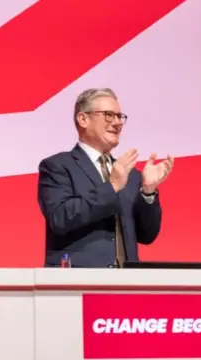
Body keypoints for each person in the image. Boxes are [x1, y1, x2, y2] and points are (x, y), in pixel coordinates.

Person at [37, 88, 174, 268]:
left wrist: (148, 192)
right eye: (109, 115)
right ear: (83, 119)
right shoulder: (57, 167)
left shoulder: (130, 174)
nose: (117, 123)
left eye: (119, 116)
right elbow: (61, 218)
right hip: (78, 283)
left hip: (125, 285)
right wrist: (111, 186)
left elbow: (146, 235)